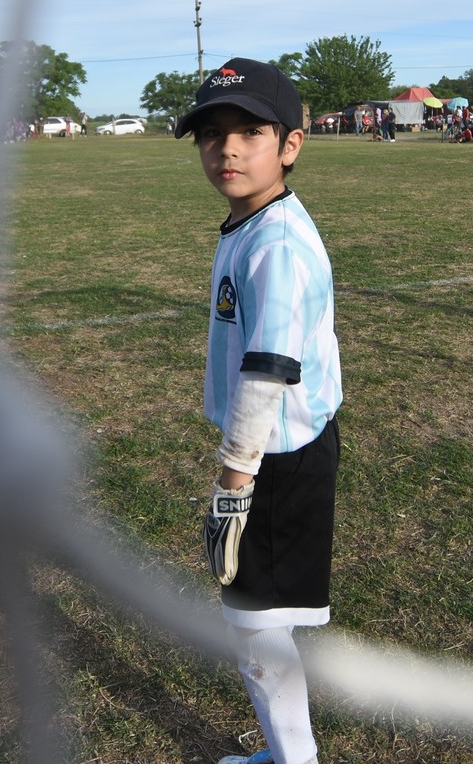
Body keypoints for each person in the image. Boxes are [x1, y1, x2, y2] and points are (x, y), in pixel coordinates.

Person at [173, 58, 342, 764]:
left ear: (291, 144)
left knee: (254, 628)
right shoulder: (254, 222)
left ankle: (292, 760)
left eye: (249, 131)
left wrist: (235, 481)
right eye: (212, 134)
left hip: (277, 457)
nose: (228, 149)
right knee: (257, 623)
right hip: (275, 450)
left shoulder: (275, 242)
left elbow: (269, 366)